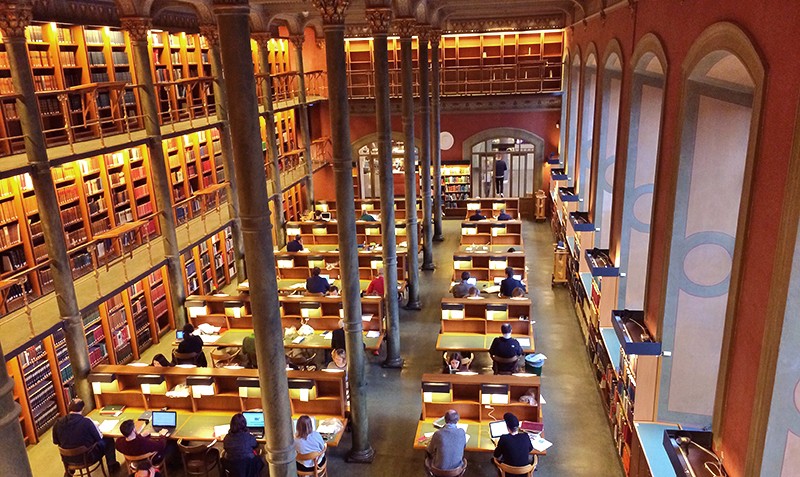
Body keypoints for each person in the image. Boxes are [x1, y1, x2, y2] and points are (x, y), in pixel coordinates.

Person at [53, 399, 120, 472]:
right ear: (83, 408)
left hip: (67, 458)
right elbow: (99, 438)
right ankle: (112, 466)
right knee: (108, 440)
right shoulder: (86, 422)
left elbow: (56, 442)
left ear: (69, 408)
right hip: (87, 457)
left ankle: (69, 472)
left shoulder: (58, 423)